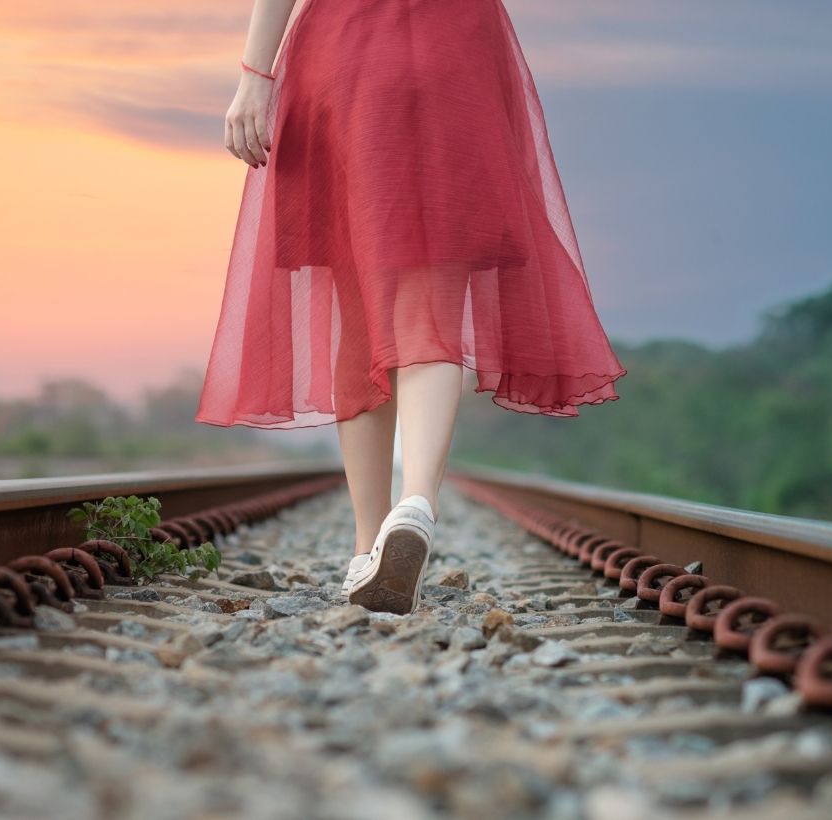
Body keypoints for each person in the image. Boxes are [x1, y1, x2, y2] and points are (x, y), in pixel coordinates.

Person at [195, 0, 627, 615]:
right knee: (432, 306)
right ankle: (417, 502)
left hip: (346, 50)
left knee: (356, 309)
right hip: (460, 53)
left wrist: (253, 76)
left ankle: (368, 541)